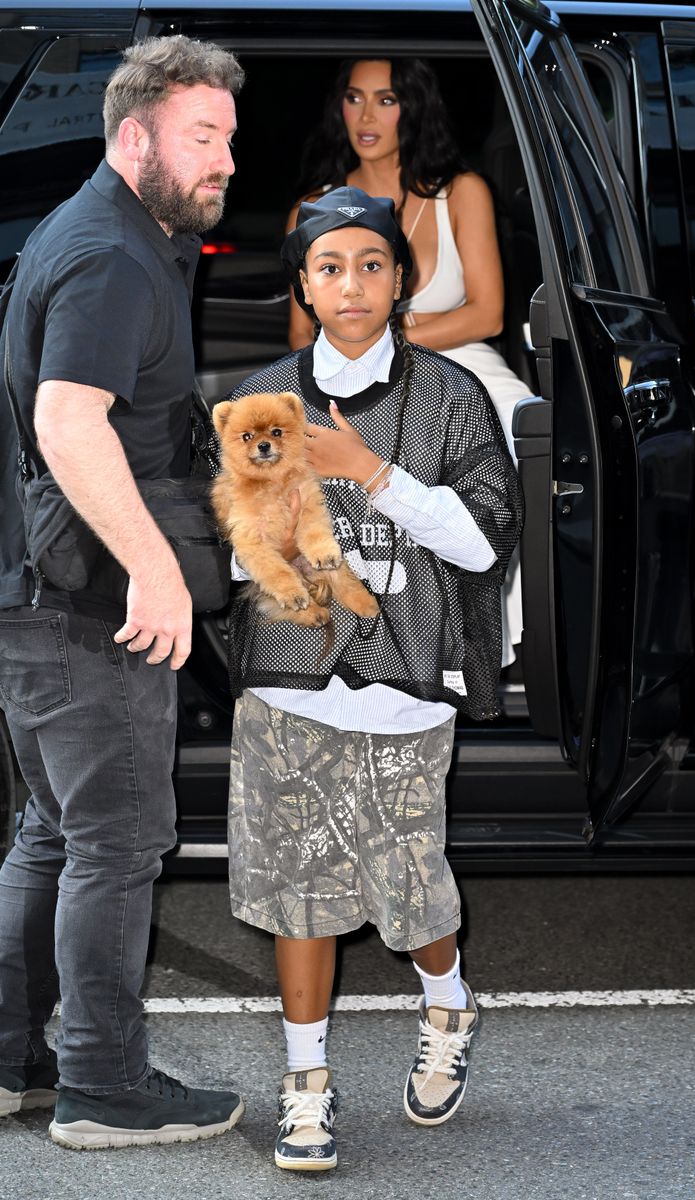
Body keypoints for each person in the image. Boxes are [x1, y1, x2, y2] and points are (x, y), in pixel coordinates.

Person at [223, 186, 523, 1171]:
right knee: (297, 886)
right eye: (327, 266)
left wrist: (369, 472)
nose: (348, 283)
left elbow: (483, 544)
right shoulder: (262, 392)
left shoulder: (448, 397)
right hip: (287, 676)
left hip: (401, 678)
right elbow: (230, 547)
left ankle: (446, 1002)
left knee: (407, 892)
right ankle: (304, 1088)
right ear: (302, 286)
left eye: (369, 264)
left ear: (399, 281)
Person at [0, 36, 247, 1150]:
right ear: (133, 136)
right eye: (204, 138)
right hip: (86, 607)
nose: (225, 161)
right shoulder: (108, 253)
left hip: (41, 599)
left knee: (53, 831)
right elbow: (66, 418)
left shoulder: (113, 234)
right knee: (116, 840)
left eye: (229, 141)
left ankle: (10, 1058)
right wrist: (158, 571)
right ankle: (103, 1086)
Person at [287, 57, 531, 669]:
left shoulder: (460, 192)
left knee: (513, 427)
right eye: (354, 98)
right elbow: (300, 334)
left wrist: (393, 332)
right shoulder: (312, 208)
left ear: (413, 108)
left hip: (463, 360)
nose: (367, 116)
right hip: (344, 369)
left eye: (387, 100)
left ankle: (489, 642)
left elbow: (488, 314)